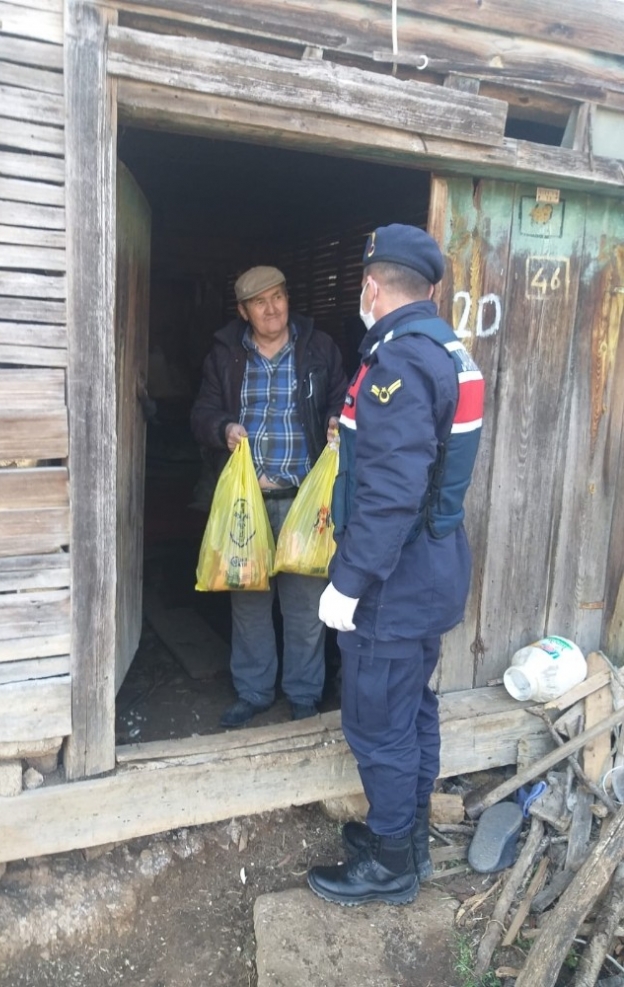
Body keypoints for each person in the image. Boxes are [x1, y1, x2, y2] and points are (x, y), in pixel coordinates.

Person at [307, 225, 485, 906]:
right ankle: (404, 835)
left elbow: (389, 495)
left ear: (372, 287)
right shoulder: (446, 351)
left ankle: (389, 865)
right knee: (413, 710)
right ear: (431, 289)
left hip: (394, 581)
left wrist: (347, 584)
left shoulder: (400, 364)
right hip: (432, 568)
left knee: (379, 720)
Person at [191, 265, 347, 728]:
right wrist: (223, 429)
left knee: (305, 607)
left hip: (304, 500)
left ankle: (303, 694)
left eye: (278, 296)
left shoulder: (318, 347)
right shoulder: (224, 355)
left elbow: (344, 395)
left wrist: (338, 418)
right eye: (260, 302)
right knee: (250, 604)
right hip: (248, 503)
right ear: (243, 311)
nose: (272, 308)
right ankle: (255, 692)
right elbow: (201, 412)